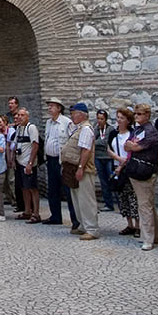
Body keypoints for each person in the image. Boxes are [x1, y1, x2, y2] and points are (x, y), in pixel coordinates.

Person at [122, 105, 158, 250]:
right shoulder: (138, 129)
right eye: (135, 114)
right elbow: (127, 146)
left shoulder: (150, 131)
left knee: (144, 205)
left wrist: (132, 146)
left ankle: (148, 239)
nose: (136, 116)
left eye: (139, 114)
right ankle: (155, 236)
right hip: (137, 169)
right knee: (148, 204)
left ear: (147, 115)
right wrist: (131, 146)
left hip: (145, 170)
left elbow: (135, 147)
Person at [42, 98, 78, 229]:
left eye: (52, 106)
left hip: (62, 161)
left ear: (59, 108)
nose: (49, 108)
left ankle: (75, 220)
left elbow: (71, 140)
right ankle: (55, 216)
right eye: (49, 106)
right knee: (52, 189)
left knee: (68, 190)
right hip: (51, 160)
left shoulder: (66, 122)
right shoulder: (48, 123)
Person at [65, 103, 100, 240]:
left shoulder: (86, 129)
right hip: (76, 168)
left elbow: (86, 150)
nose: (72, 116)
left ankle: (92, 228)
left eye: (73, 113)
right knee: (78, 198)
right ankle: (83, 225)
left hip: (84, 169)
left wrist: (80, 167)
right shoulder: (79, 129)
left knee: (86, 199)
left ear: (81, 114)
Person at [106, 111, 139, 236]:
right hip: (117, 166)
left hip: (129, 167)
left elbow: (133, 151)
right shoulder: (114, 134)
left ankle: (138, 226)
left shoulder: (132, 134)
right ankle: (129, 224)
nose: (119, 120)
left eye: (122, 118)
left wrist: (123, 163)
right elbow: (108, 148)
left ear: (128, 120)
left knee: (133, 197)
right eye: (118, 118)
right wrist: (117, 159)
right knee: (123, 197)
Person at [12, 108, 40, 222]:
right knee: (24, 187)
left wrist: (30, 163)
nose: (19, 117)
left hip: (28, 163)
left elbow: (35, 145)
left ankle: (36, 213)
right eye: (18, 115)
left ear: (27, 117)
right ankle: (27, 211)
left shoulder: (31, 128)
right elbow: (15, 144)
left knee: (32, 188)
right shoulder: (18, 128)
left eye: (22, 115)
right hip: (19, 162)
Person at [92, 109, 115, 212]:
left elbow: (105, 142)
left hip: (108, 157)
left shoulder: (110, 129)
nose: (99, 121)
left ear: (106, 119)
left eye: (102, 119)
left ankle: (118, 202)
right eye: (98, 118)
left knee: (112, 180)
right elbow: (91, 139)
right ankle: (108, 203)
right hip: (98, 157)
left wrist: (96, 142)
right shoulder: (95, 129)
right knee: (103, 181)